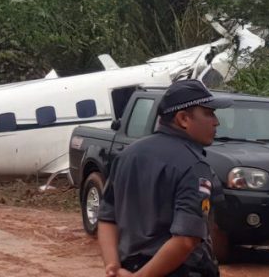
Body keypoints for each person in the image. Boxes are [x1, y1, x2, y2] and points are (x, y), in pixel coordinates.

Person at [98, 80, 231, 277]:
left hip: (130, 267)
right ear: (183, 119)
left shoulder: (128, 155)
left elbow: (107, 218)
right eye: (209, 113)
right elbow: (187, 239)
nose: (216, 121)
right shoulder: (194, 166)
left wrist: (113, 267)